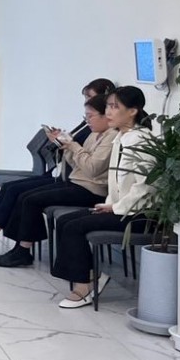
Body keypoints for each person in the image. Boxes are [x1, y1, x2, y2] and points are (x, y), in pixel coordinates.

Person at [0, 80, 119, 253]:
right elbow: (77, 162)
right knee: (14, 189)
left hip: (88, 188)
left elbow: (92, 168)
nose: (87, 117)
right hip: (74, 179)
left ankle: (15, 246)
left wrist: (72, 146)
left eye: (90, 114)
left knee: (27, 198)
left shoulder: (110, 136)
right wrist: (65, 146)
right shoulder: (95, 133)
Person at [51, 86, 154, 309]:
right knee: (65, 220)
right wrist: (109, 204)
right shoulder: (121, 137)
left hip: (137, 214)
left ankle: (83, 288)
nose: (108, 112)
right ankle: (90, 277)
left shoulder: (141, 140)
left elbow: (145, 187)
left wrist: (115, 208)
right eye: (108, 106)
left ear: (132, 111)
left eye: (115, 107)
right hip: (119, 208)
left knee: (74, 227)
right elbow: (116, 183)